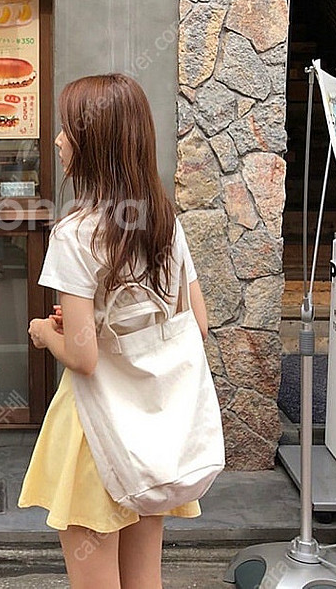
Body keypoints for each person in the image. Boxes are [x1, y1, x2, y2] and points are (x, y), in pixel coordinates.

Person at [18, 74, 209, 589]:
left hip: (95, 432)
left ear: (95, 144)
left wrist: (43, 332)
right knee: (144, 579)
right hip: (151, 432)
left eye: (67, 130)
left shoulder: (75, 234)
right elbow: (197, 322)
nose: (58, 140)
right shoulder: (163, 220)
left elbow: (83, 359)